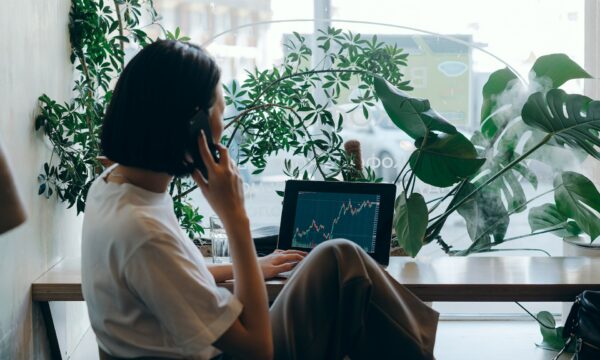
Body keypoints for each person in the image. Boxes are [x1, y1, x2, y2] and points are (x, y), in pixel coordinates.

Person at [82, 40, 438, 360]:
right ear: (195, 127)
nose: (226, 119)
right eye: (221, 107)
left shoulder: (114, 187)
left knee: (337, 256)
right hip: (231, 354)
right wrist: (236, 219)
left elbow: (168, 275)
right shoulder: (143, 230)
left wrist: (253, 265)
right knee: (347, 270)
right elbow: (258, 349)